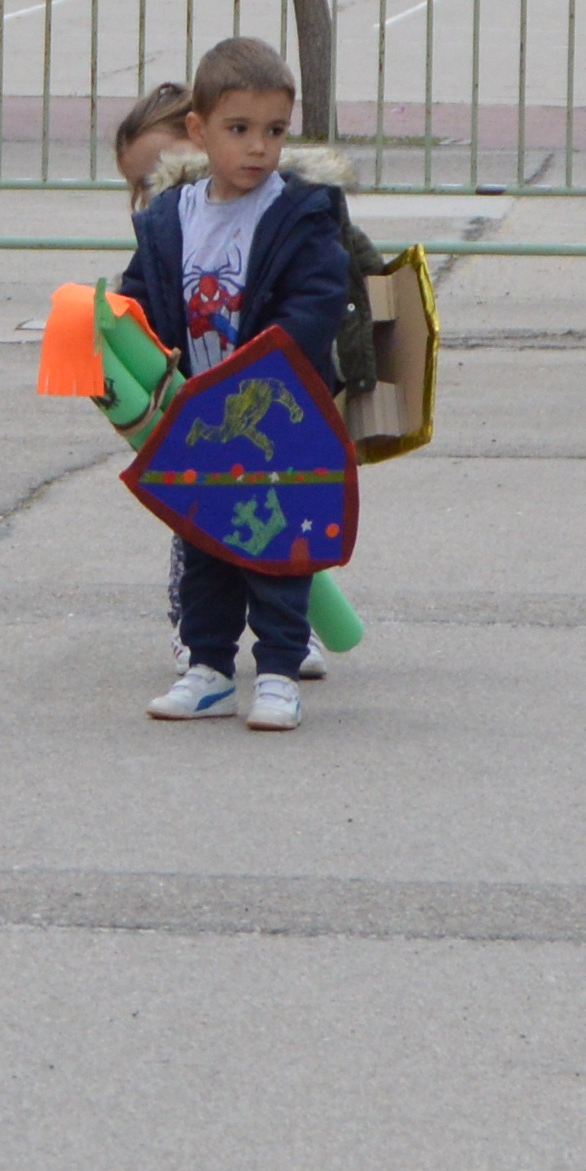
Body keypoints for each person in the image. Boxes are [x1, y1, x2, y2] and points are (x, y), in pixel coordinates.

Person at [118, 36, 356, 733]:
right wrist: (114, 332)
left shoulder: (301, 213)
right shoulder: (171, 217)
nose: (258, 147)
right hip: (202, 413)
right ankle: (210, 670)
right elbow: (140, 298)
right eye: (240, 129)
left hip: (277, 412)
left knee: (281, 547)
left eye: (275, 131)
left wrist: (262, 363)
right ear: (198, 131)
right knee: (205, 544)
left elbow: (317, 302)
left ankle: (278, 674)